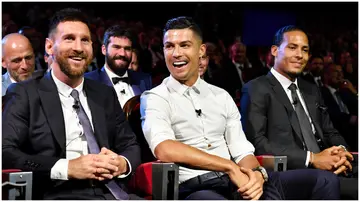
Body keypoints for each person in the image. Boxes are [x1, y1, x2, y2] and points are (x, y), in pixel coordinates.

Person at [140, 16, 340, 200]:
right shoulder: (155, 97)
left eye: (184, 45)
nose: (176, 53)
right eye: (169, 46)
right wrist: (228, 166)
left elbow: (240, 148)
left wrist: (257, 175)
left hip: (237, 181)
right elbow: (165, 148)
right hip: (198, 188)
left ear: (201, 51)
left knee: (324, 181)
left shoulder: (221, 96)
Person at [2, 8, 141, 200]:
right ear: (49, 47)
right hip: (59, 193)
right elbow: (6, 152)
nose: (78, 47)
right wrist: (67, 167)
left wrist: (122, 163)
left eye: (85, 40)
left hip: (113, 192)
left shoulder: (104, 94)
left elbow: (131, 144)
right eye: (69, 38)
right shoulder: (24, 93)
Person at [240, 25, 357, 199]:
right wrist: (312, 158)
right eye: (292, 48)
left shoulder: (311, 90)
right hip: (290, 170)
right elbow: (257, 142)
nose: (299, 55)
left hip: (328, 166)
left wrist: (340, 152)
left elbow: (330, 131)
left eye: (305, 50)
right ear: (274, 51)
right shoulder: (256, 88)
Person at [86, 25, 151, 108]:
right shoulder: (89, 81)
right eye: (116, 47)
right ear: (104, 50)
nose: (122, 54)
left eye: (127, 49)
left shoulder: (144, 79)